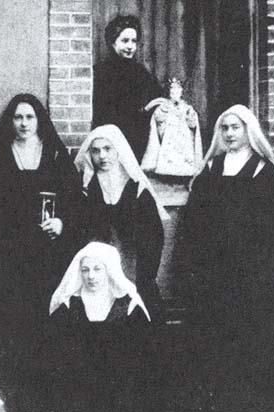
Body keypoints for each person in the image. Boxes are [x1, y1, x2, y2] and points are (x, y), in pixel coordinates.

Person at [174, 104, 274, 412]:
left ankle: (256, 401)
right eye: (224, 128)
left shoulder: (263, 171)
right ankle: (219, 400)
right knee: (216, 328)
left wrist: (248, 250)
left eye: (235, 127)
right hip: (214, 268)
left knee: (252, 328)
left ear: (247, 131)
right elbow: (194, 219)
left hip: (252, 269)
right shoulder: (211, 169)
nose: (229, 133)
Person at [0, 94, 83, 353]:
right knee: (11, 309)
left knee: (45, 307)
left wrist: (62, 223)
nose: (24, 123)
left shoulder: (55, 154)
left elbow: (75, 199)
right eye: (18, 117)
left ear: (39, 120)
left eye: (30, 117)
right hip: (9, 248)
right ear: (10, 121)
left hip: (48, 248)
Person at [42, 242, 150, 412]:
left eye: (97, 269)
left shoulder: (127, 306)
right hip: (80, 382)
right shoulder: (70, 305)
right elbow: (56, 352)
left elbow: (140, 354)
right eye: (85, 270)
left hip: (117, 383)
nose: (91, 276)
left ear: (109, 270)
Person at [74, 124, 167, 323]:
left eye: (108, 149)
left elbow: (154, 237)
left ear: (118, 150)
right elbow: (78, 230)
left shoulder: (137, 189)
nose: (102, 156)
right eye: (96, 150)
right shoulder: (86, 188)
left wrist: (142, 274)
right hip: (95, 272)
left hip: (133, 268)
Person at [93, 14, 163, 163]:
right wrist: (143, 110)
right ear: (113, 43)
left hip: (139, 139)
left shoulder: (140, 72)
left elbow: (157, 96)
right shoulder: (101, 72)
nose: (130, 46)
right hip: (112, 140)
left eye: (134, 41)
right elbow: (106, 113)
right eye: (125, 41)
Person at [141, 77, 203, 177]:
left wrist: (190, 117)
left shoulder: (186, 107)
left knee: (185, 152)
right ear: (169, 92)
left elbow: (193, 123)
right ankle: (167, 172)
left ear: (181, 92)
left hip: (183, 137)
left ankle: (185, 171)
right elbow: (158, 117)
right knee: (168, 152)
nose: (175, 92)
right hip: (169, 136)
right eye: (172, 90)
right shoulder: (164, 106)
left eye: (177, 90)